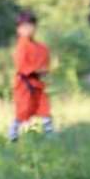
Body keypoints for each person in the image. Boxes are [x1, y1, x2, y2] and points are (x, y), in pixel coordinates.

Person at [8, 10, 54, 141]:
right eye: (23, 26)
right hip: (24, 85)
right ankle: (13, 135)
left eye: (30, 25)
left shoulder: (41, 47)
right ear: (18, 29)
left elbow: (45, 63)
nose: (27, 29)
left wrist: (44, 71)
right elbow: (22, 66)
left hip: (38, 84)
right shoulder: (21, 46)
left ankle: (50, 136)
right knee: (23, 111)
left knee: (44, 108)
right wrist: (37, 70)